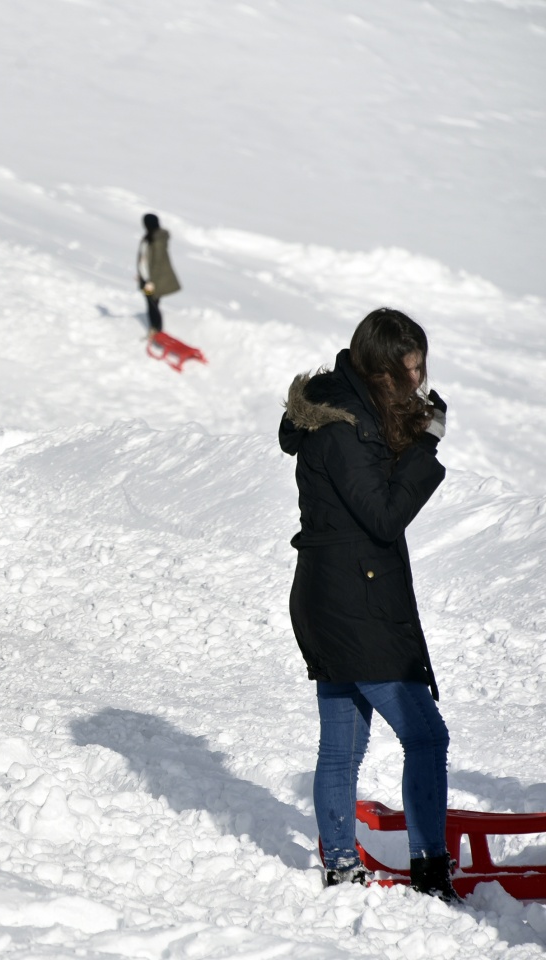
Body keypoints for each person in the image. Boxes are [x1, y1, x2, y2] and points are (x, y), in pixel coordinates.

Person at [278, 307, 456, 901]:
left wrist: (414, 426)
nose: (419, 379)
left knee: (343, 742)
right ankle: (430, 868)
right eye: (410, 369)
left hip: (336, 594)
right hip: (354, 603)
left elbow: (374, 476)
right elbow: (383, 514)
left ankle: (339, 863)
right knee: (426, 737)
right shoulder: (341, 428)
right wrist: (426, 448)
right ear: (381, 371)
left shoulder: (352, 412)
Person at [136, 212, 180, 335]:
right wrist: (141, 275)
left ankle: (157, 330)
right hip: (147, 279)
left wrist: (151, 282)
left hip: (154, 281)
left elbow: (158, 263)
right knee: (150, 302)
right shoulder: (148, 238)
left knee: (152, 304)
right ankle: (155, 329)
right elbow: (144, 259)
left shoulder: (157, 240)